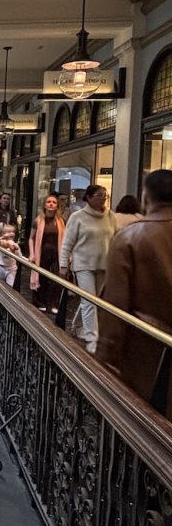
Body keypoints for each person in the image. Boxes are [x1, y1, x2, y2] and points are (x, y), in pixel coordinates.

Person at [98, 169, 172, 419]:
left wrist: (105, 360)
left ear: (146, 197)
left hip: (145, 353)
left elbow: (115, 307)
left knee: (144, 426)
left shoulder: (130, 237)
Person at [59, 184, 117, 354]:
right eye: (99, 195)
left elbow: (116, 238)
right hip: (83, 264)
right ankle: (92, 337)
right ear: (89, 197)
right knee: (89, 300)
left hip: (103, 264)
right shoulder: (77, 217)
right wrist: (64, 265)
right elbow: (67, 243)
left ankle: (78, 326)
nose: (103, 198)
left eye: (105, 195)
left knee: (95, 300)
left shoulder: (110, 217)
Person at [28, 195, 65, 313]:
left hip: (56, 253)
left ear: (57, 206)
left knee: (56, 278)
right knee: (41, 277)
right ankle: (40, 301)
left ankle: (54, 303)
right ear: (44, 205)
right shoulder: (38, 221)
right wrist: (32, 253)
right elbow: (31, 238)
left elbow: (65, 238)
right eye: (48, 202)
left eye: (54, 202)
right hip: (42, 252)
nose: (51, 204)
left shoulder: (61, 221)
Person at [0, 223, 21, 287]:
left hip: (11, 268)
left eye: (12, 232)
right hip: (0, 266)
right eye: (8, 232)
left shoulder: (15, 244)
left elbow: (19, 256)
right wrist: (2, 237)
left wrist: (15, 250)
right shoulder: (1, 242)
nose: (11, 233)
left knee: (10, 285)